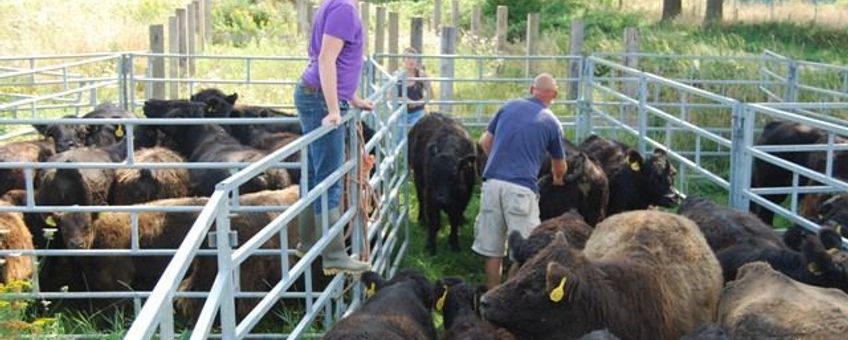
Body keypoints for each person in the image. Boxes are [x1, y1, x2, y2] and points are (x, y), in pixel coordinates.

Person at [294, 0, 373, 276]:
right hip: (320, 98)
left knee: (317, 175)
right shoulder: (344, 10)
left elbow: (339, 60)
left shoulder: (333, 4)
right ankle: (335, 254)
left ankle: (309, 240)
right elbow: (327, 58)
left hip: (315, 92)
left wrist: (352, 97)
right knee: (329, 178)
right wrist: (333, 109)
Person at [473, 73, 567, 290]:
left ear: (531, 88)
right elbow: (559, 165)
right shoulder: (551, 122)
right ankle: (513, 296)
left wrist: (498, 161)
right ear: (553, 95)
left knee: (493, 249)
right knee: (526, 250)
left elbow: (484, 142)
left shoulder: (508, 106)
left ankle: (491, 296)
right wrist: (558, 179)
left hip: (492, 184)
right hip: (521, 190)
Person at [397, 47, 434, 127]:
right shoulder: (397, 75)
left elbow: (430, 95)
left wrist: (417, 103)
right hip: (401, 112)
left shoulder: (421, 75)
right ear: (403, 60)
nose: (411, 60)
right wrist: (404, 100)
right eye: (408, 58)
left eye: (414, 58)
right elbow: (390, 96)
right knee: (398, 135)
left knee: (417, 129)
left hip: (417, 112)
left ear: (417, 60)